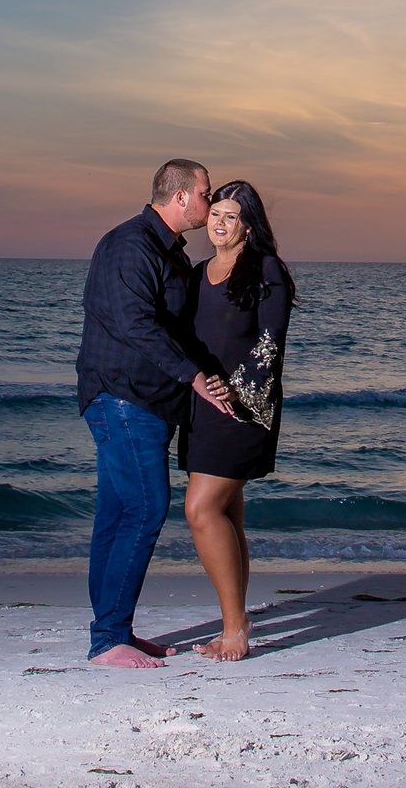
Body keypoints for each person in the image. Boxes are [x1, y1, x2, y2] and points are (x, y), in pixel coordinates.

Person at [75, 159, 236, 669]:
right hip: (123, 399)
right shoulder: (132, 244)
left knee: (118, 514)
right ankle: (108, 640)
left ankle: (111, 631)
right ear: (182, 196)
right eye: (206, 194)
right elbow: (136, 325)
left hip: (142, 401)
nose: (209, 204)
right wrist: (193, 377)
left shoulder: (165, 251)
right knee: (144, 508)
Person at [177, 179, 295, 662]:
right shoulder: (199, 272)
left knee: (200, 511)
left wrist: (234, 389)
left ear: (249, 223)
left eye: (231, 217)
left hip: (245, 407)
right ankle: (237, 616)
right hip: (202, 406)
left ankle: (234, 627)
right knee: (226, 514)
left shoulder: (266, 270)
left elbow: (270, 346)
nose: (220, 224)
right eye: (216, 215)